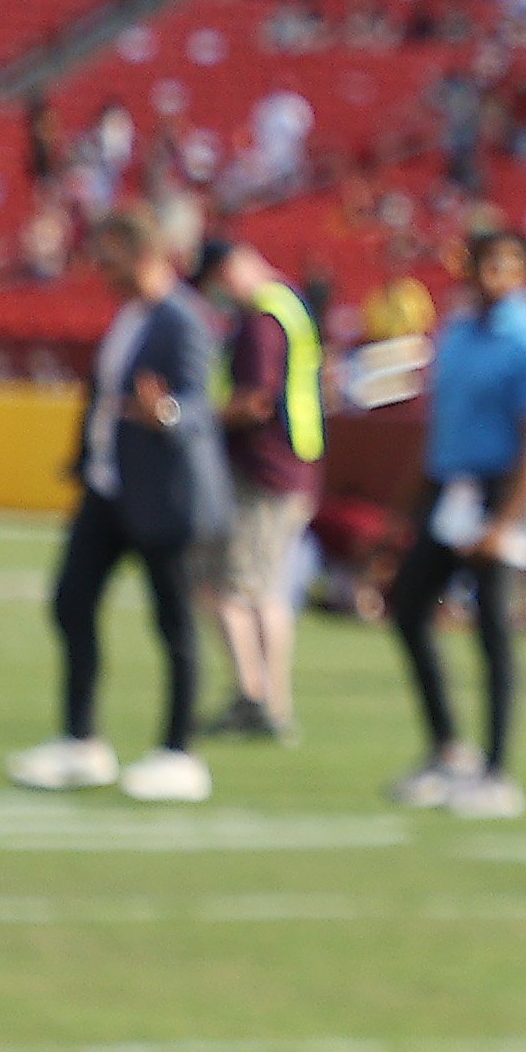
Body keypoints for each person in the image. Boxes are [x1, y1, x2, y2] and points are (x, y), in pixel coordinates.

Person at [6, 209, 221, 802]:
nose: (100, 269)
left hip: (163, 494)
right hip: (110, 488)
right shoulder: (129, 316)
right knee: (72, 601)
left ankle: (179, 753)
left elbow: (199, 404)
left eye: (109, 257)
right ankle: (81, 742)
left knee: (174, 624)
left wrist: (166, 414)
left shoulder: (183, 320)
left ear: (140, 253)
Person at [385, 221, 526, 818]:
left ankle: (498, 770)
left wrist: (507, 521)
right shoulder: (458, 332)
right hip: (452, 486)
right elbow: (441, 421)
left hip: (501, 488)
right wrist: (413, 497)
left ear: (524, 273)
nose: (490, 277)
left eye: (503, 265)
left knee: (494, 627)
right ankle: (448, 747)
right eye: (482, 264)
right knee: (408, 606)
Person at [196, 232, 321, 743]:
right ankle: (269, 701)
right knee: (265, 588)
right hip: (293, 464)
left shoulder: (261, 319)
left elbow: (254, 400)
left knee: (234, 587)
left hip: (264, 469)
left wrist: (199, 422)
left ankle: (257, 697)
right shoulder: (289, 306)